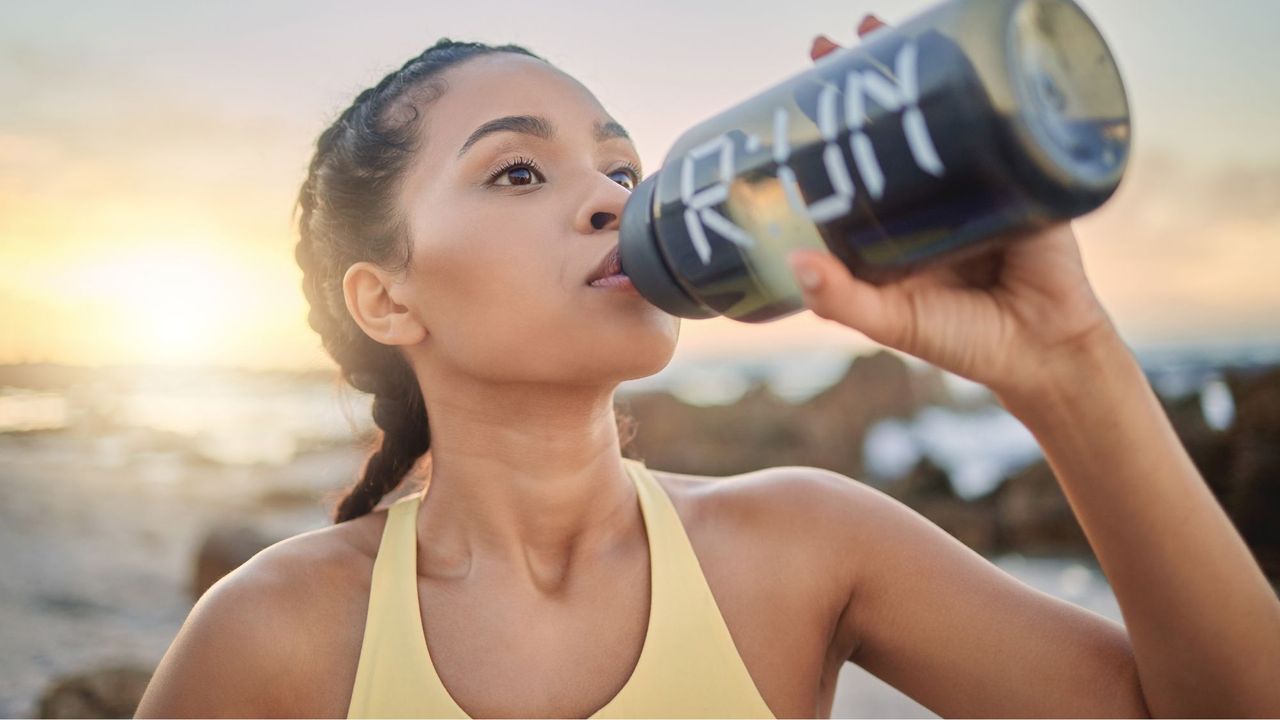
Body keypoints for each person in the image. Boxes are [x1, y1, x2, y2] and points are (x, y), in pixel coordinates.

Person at [135, 14, 1280, 719]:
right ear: (387, 298)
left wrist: (1065, 364)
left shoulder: (806, 548)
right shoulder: (271, 636)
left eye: (622, 166)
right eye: (518, 174)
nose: (608, 197)